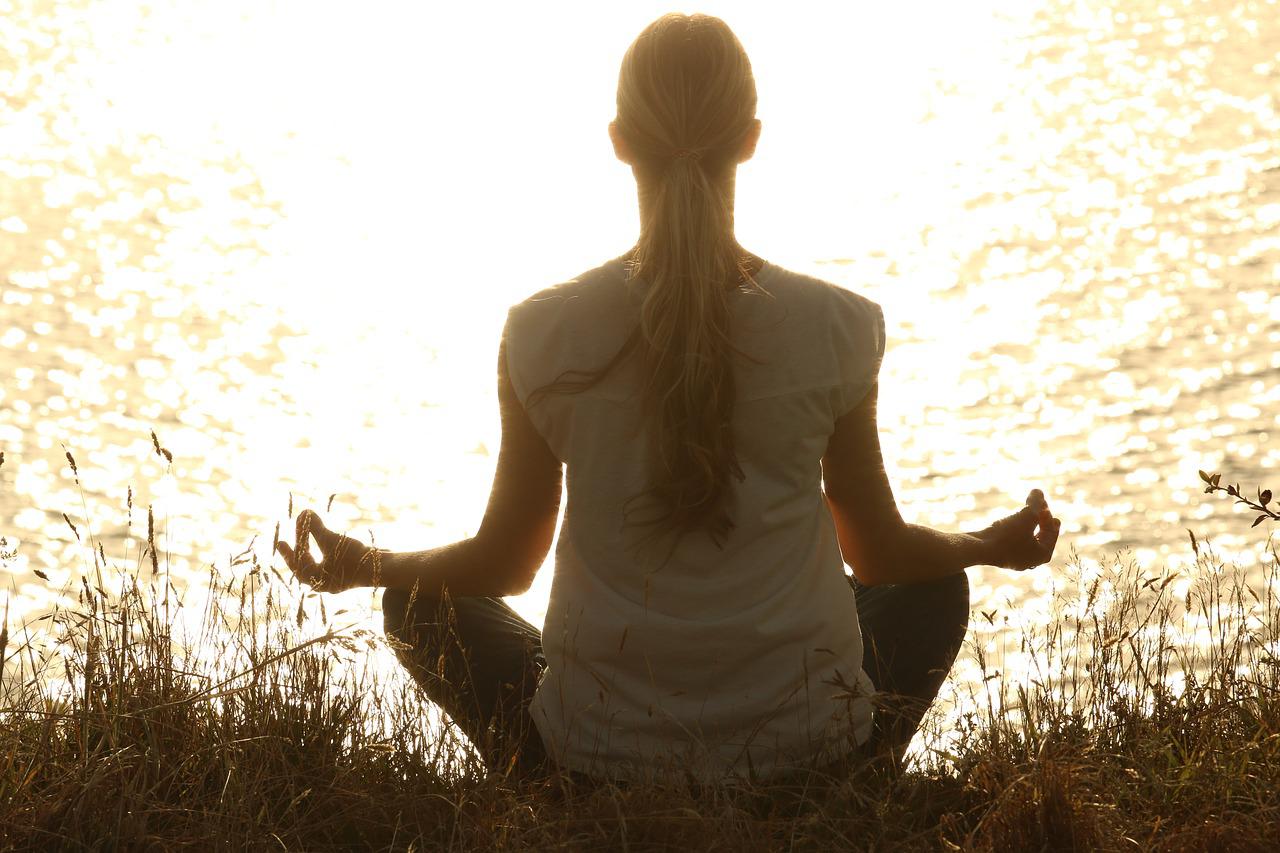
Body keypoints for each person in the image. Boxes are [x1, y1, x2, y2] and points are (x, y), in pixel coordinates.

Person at [276, 12, 1060, 785]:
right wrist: (985, 545)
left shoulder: (541, 331)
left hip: (595, 758)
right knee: (930, 583)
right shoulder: (838, 325)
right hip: (807, 749)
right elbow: (879, 552)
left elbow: (505, 563)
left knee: (419, 604)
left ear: (619, 140)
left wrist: (365, 564)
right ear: (751, 138)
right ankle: (841, 775)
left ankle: (554, 785)